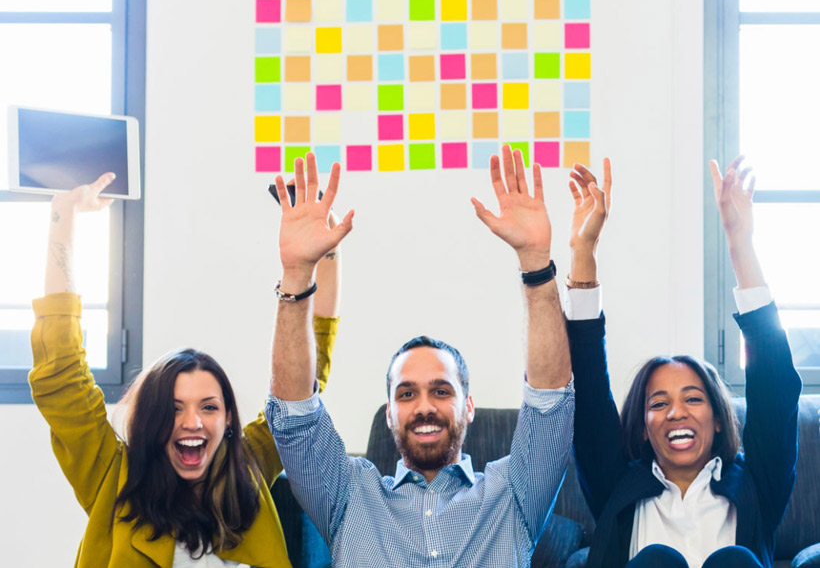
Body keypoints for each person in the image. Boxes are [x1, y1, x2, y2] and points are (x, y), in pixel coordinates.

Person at [266, 147, 574, 567]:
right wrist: (297, 274)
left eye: (441, 391)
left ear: (468, 406)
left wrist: (536, 265)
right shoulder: (348, 496)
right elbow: (294, 418)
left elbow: (550, 401)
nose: (424, 406)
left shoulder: (513, 494)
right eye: (407, 394)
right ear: (389, 414)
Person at [29, 172, 342, 567]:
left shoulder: (247, 468)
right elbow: (63, 376)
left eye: (208, 407)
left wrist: (322, 255)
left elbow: (303, 381)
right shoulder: (113, 475)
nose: (192, 422)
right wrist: (63, 217)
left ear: (229, 419)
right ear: (149, 419)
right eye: (173, 409)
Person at [564, 157, 801, 568]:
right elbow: (587, 390)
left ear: (719, 418)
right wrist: (584, 252)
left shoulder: (756, 486)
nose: (676, 412)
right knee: (657, 561)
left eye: (692, 398)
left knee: (734, 561)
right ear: (642, 427)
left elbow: (776, 393)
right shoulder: (619, 487)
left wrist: (740, 246)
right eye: (659, 403)